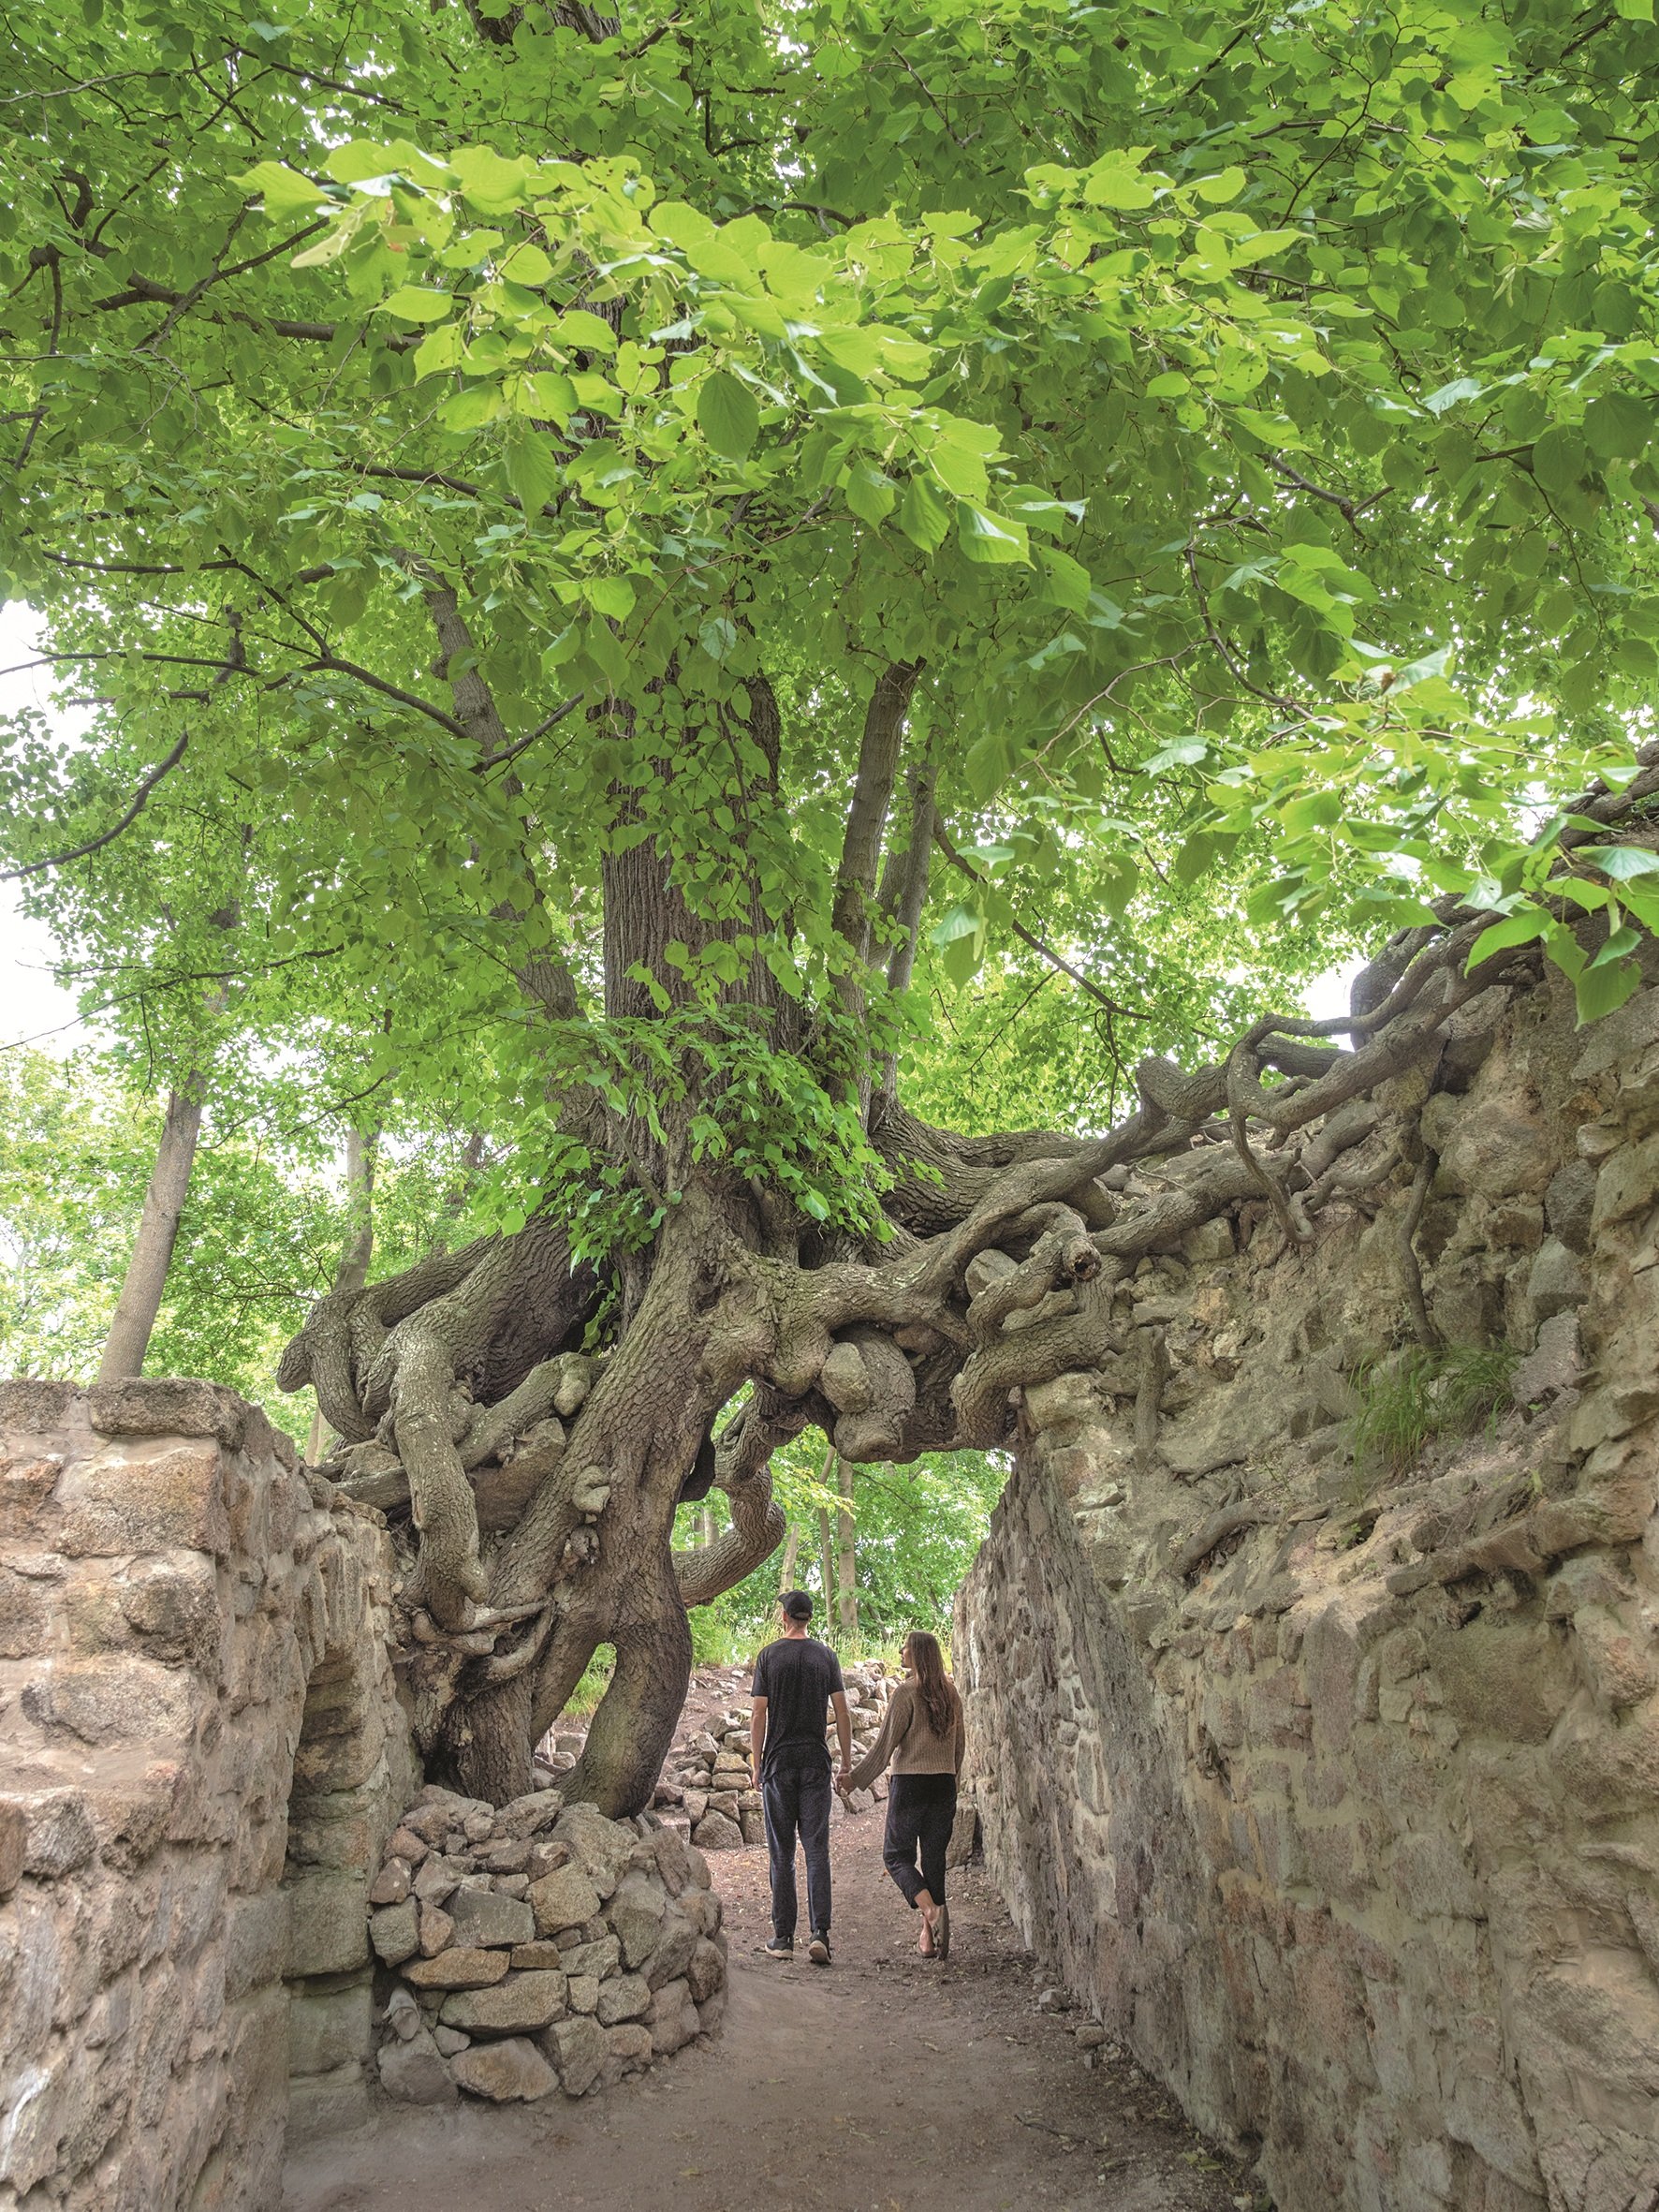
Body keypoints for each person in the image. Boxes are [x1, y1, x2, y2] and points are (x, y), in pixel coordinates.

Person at [844, 1629, 963, 1960]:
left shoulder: (906, 1693)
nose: (900, 1651)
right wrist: (952, 1781)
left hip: (911, 1784)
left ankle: (932, 1914)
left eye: (906, 1647)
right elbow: (960, 1747)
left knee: (896, 1857)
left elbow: (885, 1746)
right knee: (934, 1860)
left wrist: (855, 1779)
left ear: (919, 1653)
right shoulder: (952, 1693)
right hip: (943, 1785)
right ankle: (930, 1940)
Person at [750, 1590, 852, 1966]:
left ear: (785, 1618)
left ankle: (783, 1938)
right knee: (816, 1850)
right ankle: (820, 1933)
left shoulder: (769, 1656)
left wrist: (757, 1762)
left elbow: (759, 1713)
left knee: (782, 1853)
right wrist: (845, 1762)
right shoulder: (826, 1656)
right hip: (815, 1762)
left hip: (778, 1763)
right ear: (808, 1618)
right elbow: (842, 1711)